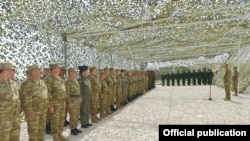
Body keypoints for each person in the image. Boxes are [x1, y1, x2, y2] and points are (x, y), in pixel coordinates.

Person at [19, 64, 49, 141]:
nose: (40, 71)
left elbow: (46, 95)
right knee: (33, 133)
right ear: (33, 71)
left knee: (41, 132)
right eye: (38, 69)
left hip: (43, 111)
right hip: (33, 112)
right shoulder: (27, 84)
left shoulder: (42, 82)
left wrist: (46, 107)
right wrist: (30, 112)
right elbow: (26, 100)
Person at [45, 63, 68, 141]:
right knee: (55, 120)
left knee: (61, 119)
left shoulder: (59, 78)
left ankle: (60, 134)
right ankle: (55, 137)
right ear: (53, 69)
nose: (60, 70)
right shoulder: (48, 79)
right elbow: (48, 93)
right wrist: (50, 105)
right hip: (55, 103)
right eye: (58, 68)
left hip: (62, 103)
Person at [0, 62, 21, 141]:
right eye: (13, 70)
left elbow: (18, 98)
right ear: (5, 71)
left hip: (15, 119)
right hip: (3, 121)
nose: (14, 72)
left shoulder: (14, 84)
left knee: (15, 138)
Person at [65, 68, 83, 135]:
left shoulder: (75, 80)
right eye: (74, 72)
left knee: (76, 114)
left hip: (77, 100)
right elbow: (67, 93)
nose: (76, 73)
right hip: (72, 100)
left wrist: (80, 97)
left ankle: (75, 127)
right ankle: (72, 129)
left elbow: (79, 90)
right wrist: (69, 102)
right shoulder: (68, 82)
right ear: (70, 73)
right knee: (72, 115)